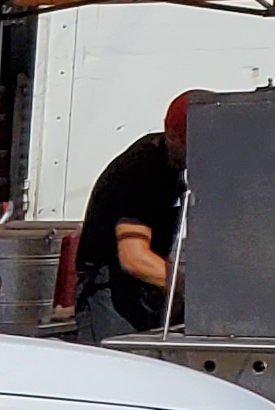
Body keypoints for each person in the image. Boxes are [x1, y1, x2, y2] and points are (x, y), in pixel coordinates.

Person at [73, 90, 208, 340]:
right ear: (172, 136)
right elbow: (133, 257)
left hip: (147, 287)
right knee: (120, 369)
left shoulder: (177, 167)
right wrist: (188, 288)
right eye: (195, 147)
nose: (203, 157)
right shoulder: (141, 170)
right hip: (110, 290)